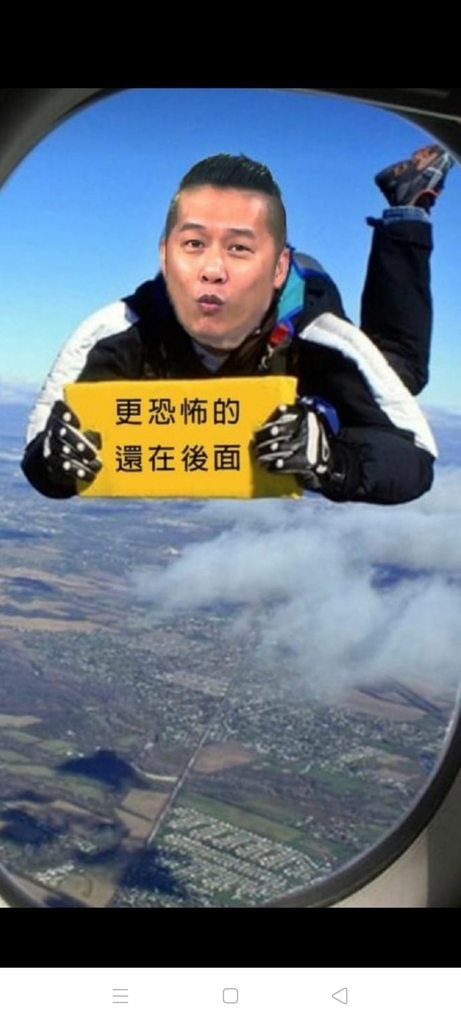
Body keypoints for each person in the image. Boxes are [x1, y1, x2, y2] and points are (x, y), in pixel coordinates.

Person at [21, 145, 454, 505]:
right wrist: (57, 461)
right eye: (194, 244)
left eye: (240, 248)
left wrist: (331, 461)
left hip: (302, 316)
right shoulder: (117, 332)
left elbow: (415, 456)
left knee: (398, 373)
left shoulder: (322, 338)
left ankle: (407, 211)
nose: (213, 270)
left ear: (278, 267)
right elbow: (40, 447)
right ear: (166, 257)